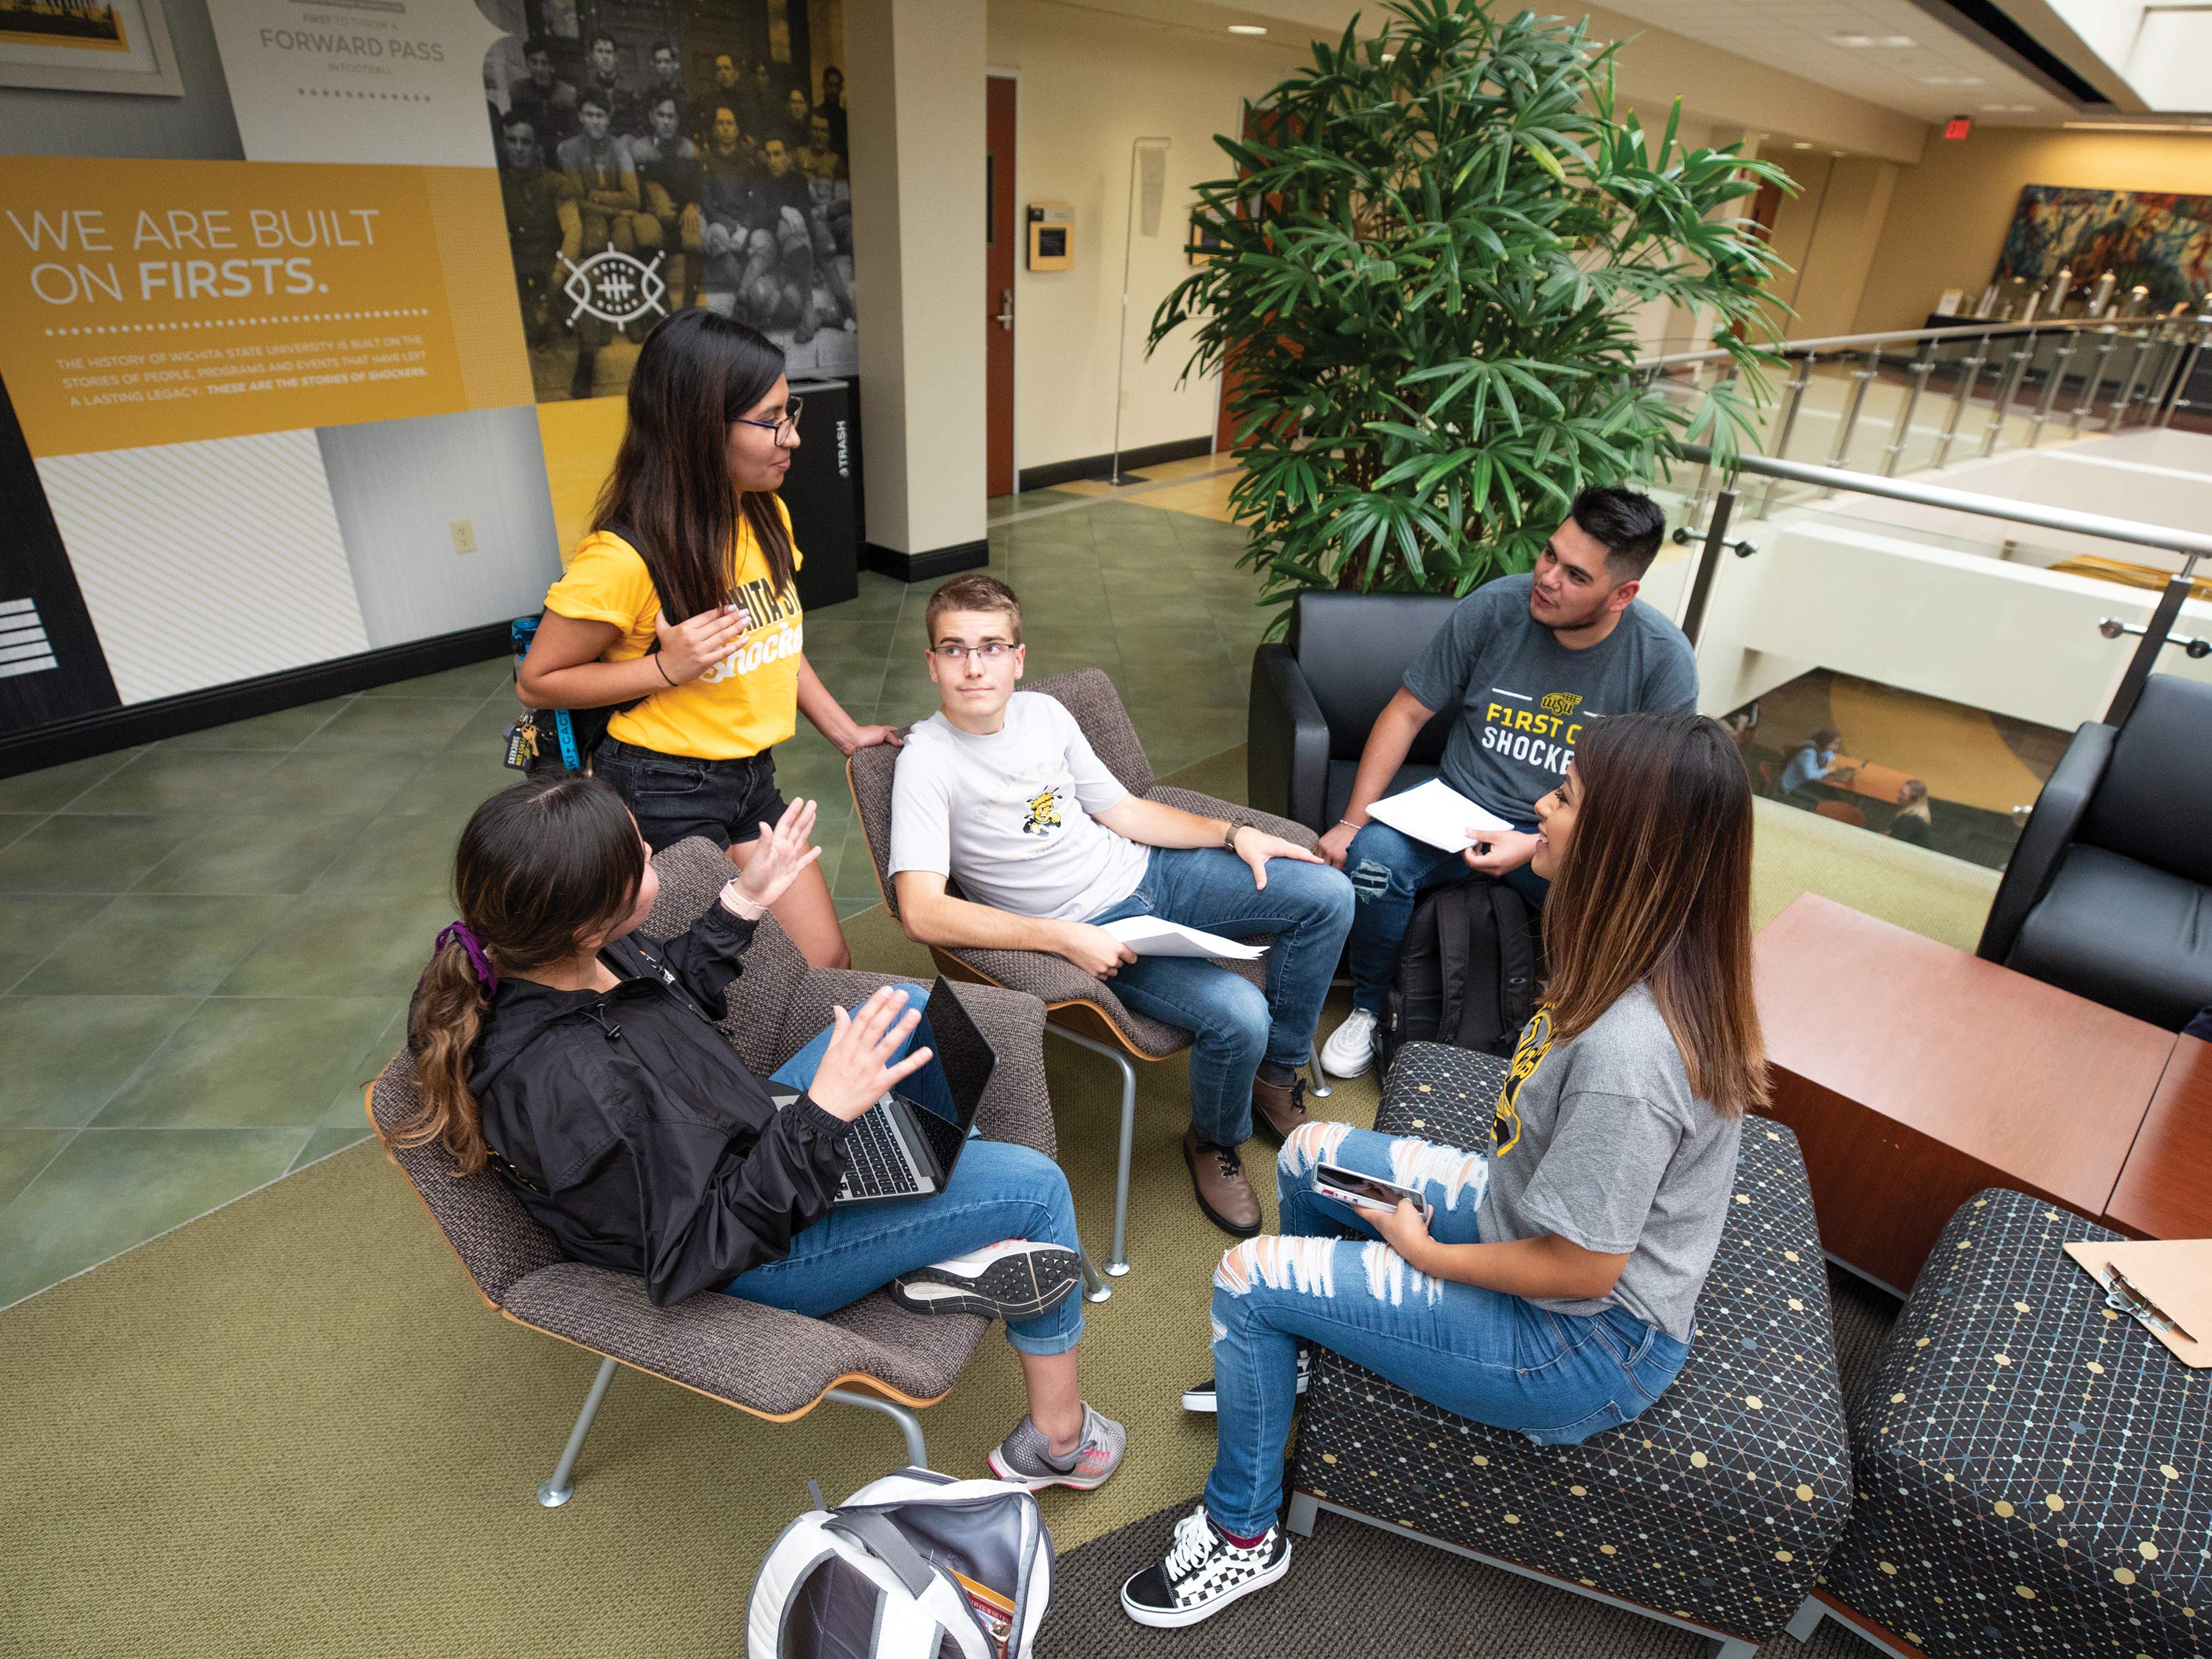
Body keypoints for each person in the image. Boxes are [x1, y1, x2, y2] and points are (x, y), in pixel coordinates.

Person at [1120, 711, 1764, 1627]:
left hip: (1581, 1344)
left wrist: (1425, 1255)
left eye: (1566, 797)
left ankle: (1239, 1542)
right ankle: (1302, 1355)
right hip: (1526, 1220)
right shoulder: (1639, 948)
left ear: (1623, 849)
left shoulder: (1634, 1056)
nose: (1543, 802)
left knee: (1249, 1279)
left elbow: (1583, 1271)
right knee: (1306, 1155)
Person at [390, 775, 1127, 1491]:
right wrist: (825, 1116)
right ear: (586, 918)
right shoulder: (572, 1086)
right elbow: (694, 1249)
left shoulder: (568, 959)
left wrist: (742, 903)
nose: (656, 856)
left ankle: (916, 1229)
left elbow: (661, 1000)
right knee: (1037, 1188)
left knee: (897, 1005)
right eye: (641, 858)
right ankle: (1057, 1445)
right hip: (753, 1254)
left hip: (751, 1141)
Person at [888, 575, 1357, 1237]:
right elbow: (923, 913)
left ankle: (1276, 1077)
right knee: (1238, 1014)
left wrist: (1233, 834)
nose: (974, 666)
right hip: (1093, 931)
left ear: (1018, 659)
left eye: (991, 647)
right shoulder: (927, 762)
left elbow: (1126, 812)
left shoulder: (1046, 714)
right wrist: (1063, 939)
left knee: (1327, 895)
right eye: (955, 649)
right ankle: (1212, 1139)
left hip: (1150, 874)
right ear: (931, 663)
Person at [517, 311, 900, 969]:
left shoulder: (763, 512)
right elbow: (538, 680)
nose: (795, 438)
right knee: (703, 985)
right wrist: (668, 668)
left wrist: (843, 730)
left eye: (791, 411)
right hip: (660, 788)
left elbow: (779, 642)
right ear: (699, 425)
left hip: (751, 777)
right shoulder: (621, 557)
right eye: (772, 418)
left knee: (825, 958)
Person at [1316, 487, 1697, 1080]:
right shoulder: (1495, 607)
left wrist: (1540, 847)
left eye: (1575, 575)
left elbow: (1652, 803)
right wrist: (1351, 819)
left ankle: (1559, 1037)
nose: (1546, 578)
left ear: (1622, 594)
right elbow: (1406, 712)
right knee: (1374, 860)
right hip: (1455, 811)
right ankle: (1369, 1007)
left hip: (1567, 831)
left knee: (1629, 907)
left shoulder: (1663, 661)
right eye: (1549, 555)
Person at [496, 114, 570, 350]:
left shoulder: (556, 182)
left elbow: (573, 230)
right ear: (503, 144)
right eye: (512, 141)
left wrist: (560, 272)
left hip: (552, 259)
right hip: (518, 261)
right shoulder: (496, 184)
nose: (518, 149)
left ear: (536, 147)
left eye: (525, 142)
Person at [632, 94, 700, 310]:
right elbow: (634, 189)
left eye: (671, 116)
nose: (666, 121)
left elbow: (700, 186)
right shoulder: (639, 149)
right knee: (646, 232)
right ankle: (662, 307)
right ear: (652, 117)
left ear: (678, 120)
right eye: (661, 115)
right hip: (654, 215)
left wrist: (693, 204)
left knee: (695, 233)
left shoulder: (689, 150)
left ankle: (688, 306)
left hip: (680, 216)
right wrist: (650, 204)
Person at [509, 38, 579, 151]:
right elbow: (519, 127)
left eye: (544, 63)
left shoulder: (567, 94)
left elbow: (573, 134)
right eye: (534, 62)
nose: (539, 69)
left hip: (560, 150)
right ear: (527, 62)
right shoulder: (520, 90)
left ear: (552, 66)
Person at [1778, 727, 1851, 803]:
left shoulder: (1817, 745)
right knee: (1825, 801)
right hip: (1794, 785)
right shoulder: (1809, 753)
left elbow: (1829, 753)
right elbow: (1809, 775)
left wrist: (1830, 761)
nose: (1837, 747)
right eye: (1835, 744)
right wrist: (1826, 770)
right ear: (1825, 742)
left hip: (1807, 782)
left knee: (1833, 794)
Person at [1887, 777, 1933, 846]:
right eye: (1899, 792)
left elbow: (1893, 843)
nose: (1899, 796)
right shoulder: (1918, 818)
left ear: (1914, 798)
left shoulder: (1911, 819)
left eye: (1903, 794)